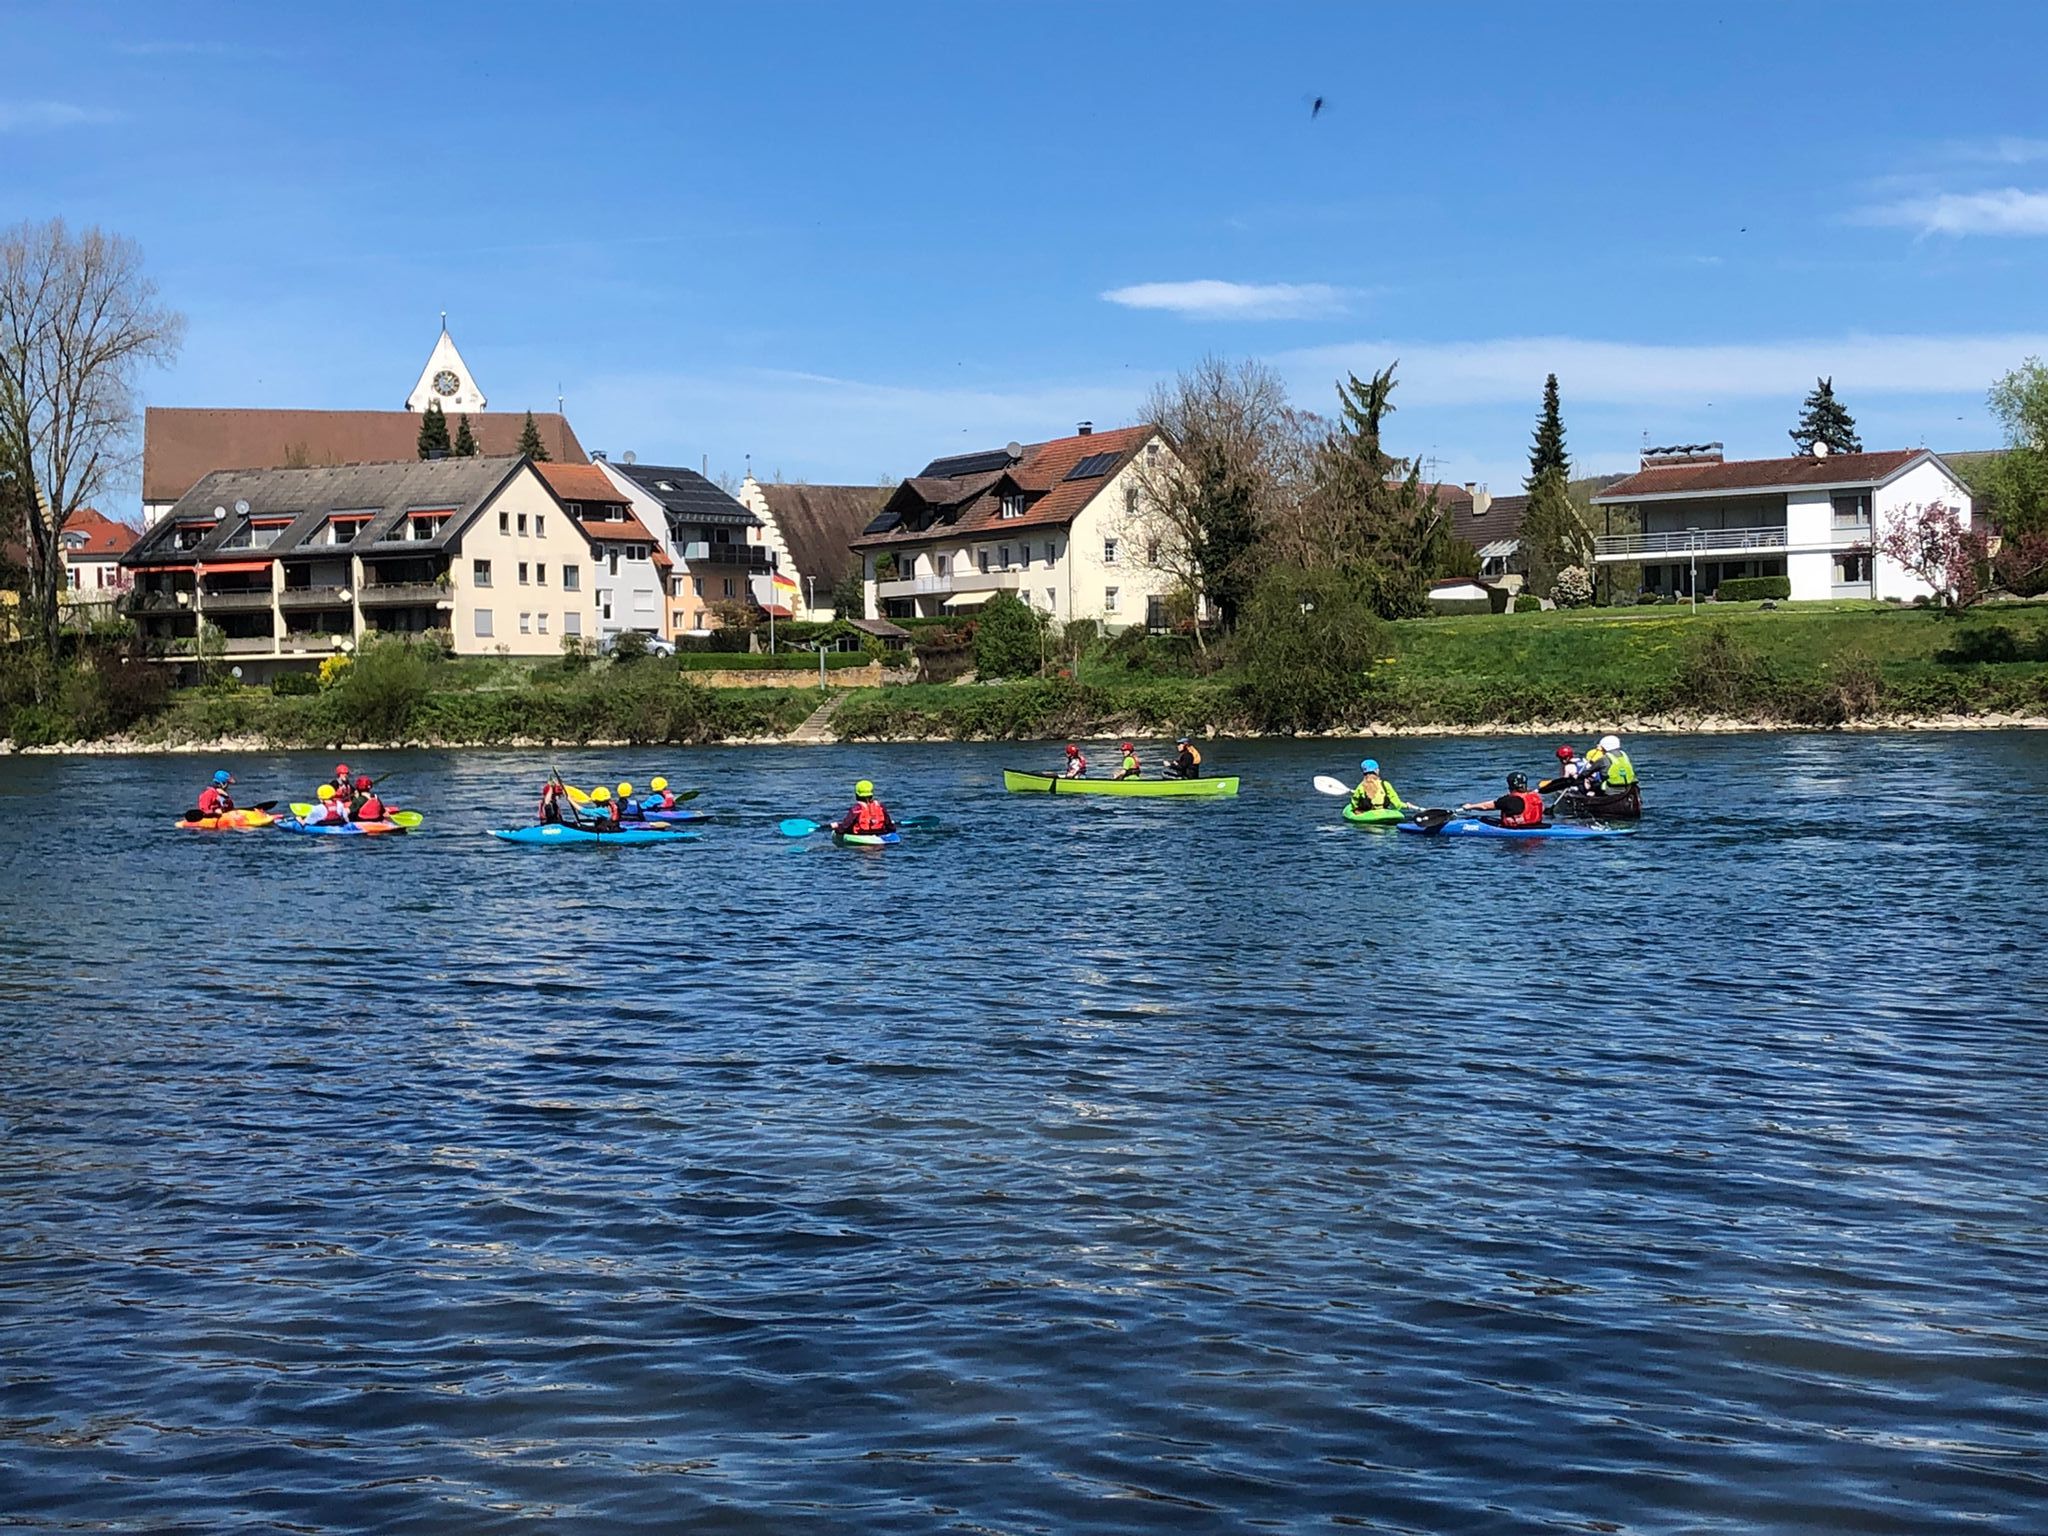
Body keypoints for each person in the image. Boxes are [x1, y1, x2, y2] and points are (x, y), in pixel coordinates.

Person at [1459, 771, 1546, 828]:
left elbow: (1485, 807)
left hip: (1517, 829)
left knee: (1481, 819)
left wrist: (1470, 806)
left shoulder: (1509, 800)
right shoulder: (1535, 796)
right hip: (1538, 826)